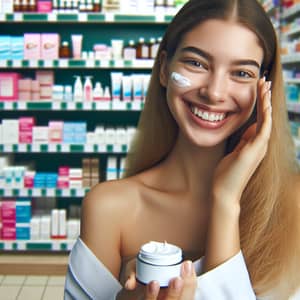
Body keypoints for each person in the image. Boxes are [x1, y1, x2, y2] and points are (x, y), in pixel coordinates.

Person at [64, 0, 300, 299]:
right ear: (164, 69)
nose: (214, 92)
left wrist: (226, 201)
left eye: (241, 73)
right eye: (197, 63)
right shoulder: (110, 208)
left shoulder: (294, 204)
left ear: (263, 87)